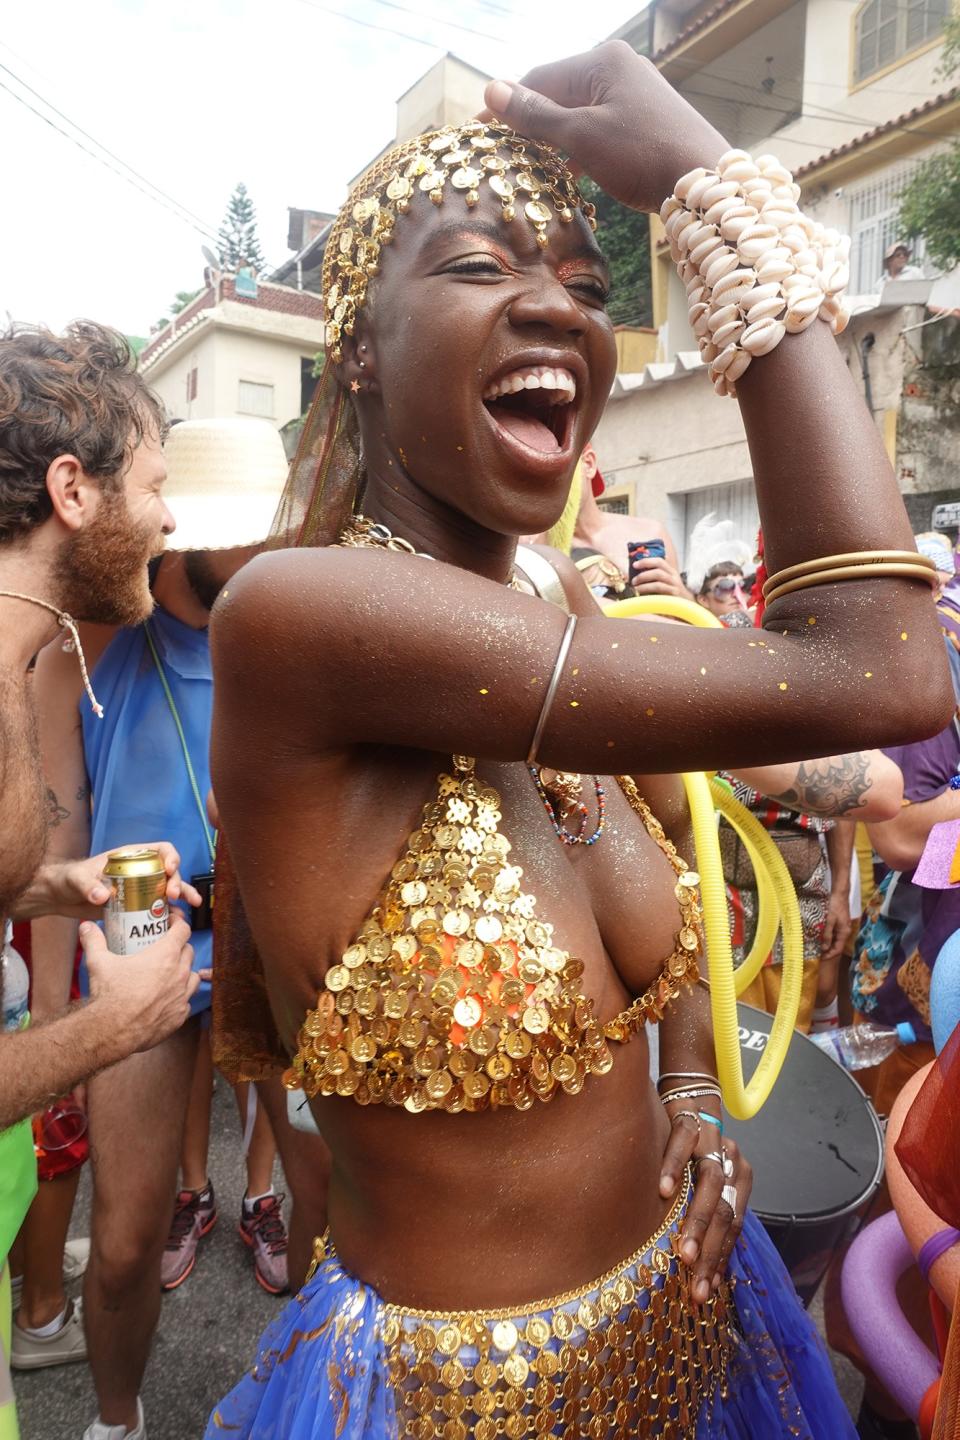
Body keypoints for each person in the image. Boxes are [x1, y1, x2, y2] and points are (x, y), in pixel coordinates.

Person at [204, 43, 951, 1439]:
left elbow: (662, 912)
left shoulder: (556, 605)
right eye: (481, 267)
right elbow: (886, 668)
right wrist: (705, 188)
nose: (555, 304)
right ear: (356, 346)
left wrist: (685, 1100)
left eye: (592, 285)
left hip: (690, 1335)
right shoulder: (305, 617)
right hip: (453, 1407)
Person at [30, 418, 331, 1437]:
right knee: (121, 1244)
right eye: (247, 537)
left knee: (332, 1214)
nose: (265, 556)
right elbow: (56, 835)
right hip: (133, 936)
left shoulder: (297, 631)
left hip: (275, 934)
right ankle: (117, 1419)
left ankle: (325, 1403)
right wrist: (59, 1024)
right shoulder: (95, 639)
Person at [0, 321, 197, 1435]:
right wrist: (111, 1029)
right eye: (156, 486)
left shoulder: (22, 659)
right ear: (73, 490)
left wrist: (50, 887)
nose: (170, 520)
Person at [718, 755, 901, 1032]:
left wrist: (840, 893)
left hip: (802, 891)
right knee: (735, 1027)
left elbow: (845, 792)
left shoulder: (820, 718)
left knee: (795, 1020)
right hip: (723, 890)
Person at [569, 444, 690, 598]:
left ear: (588, 464)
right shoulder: (535, 548)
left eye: (557, 470)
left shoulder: (648, 533)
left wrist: (683, 595)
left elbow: (681, 615)